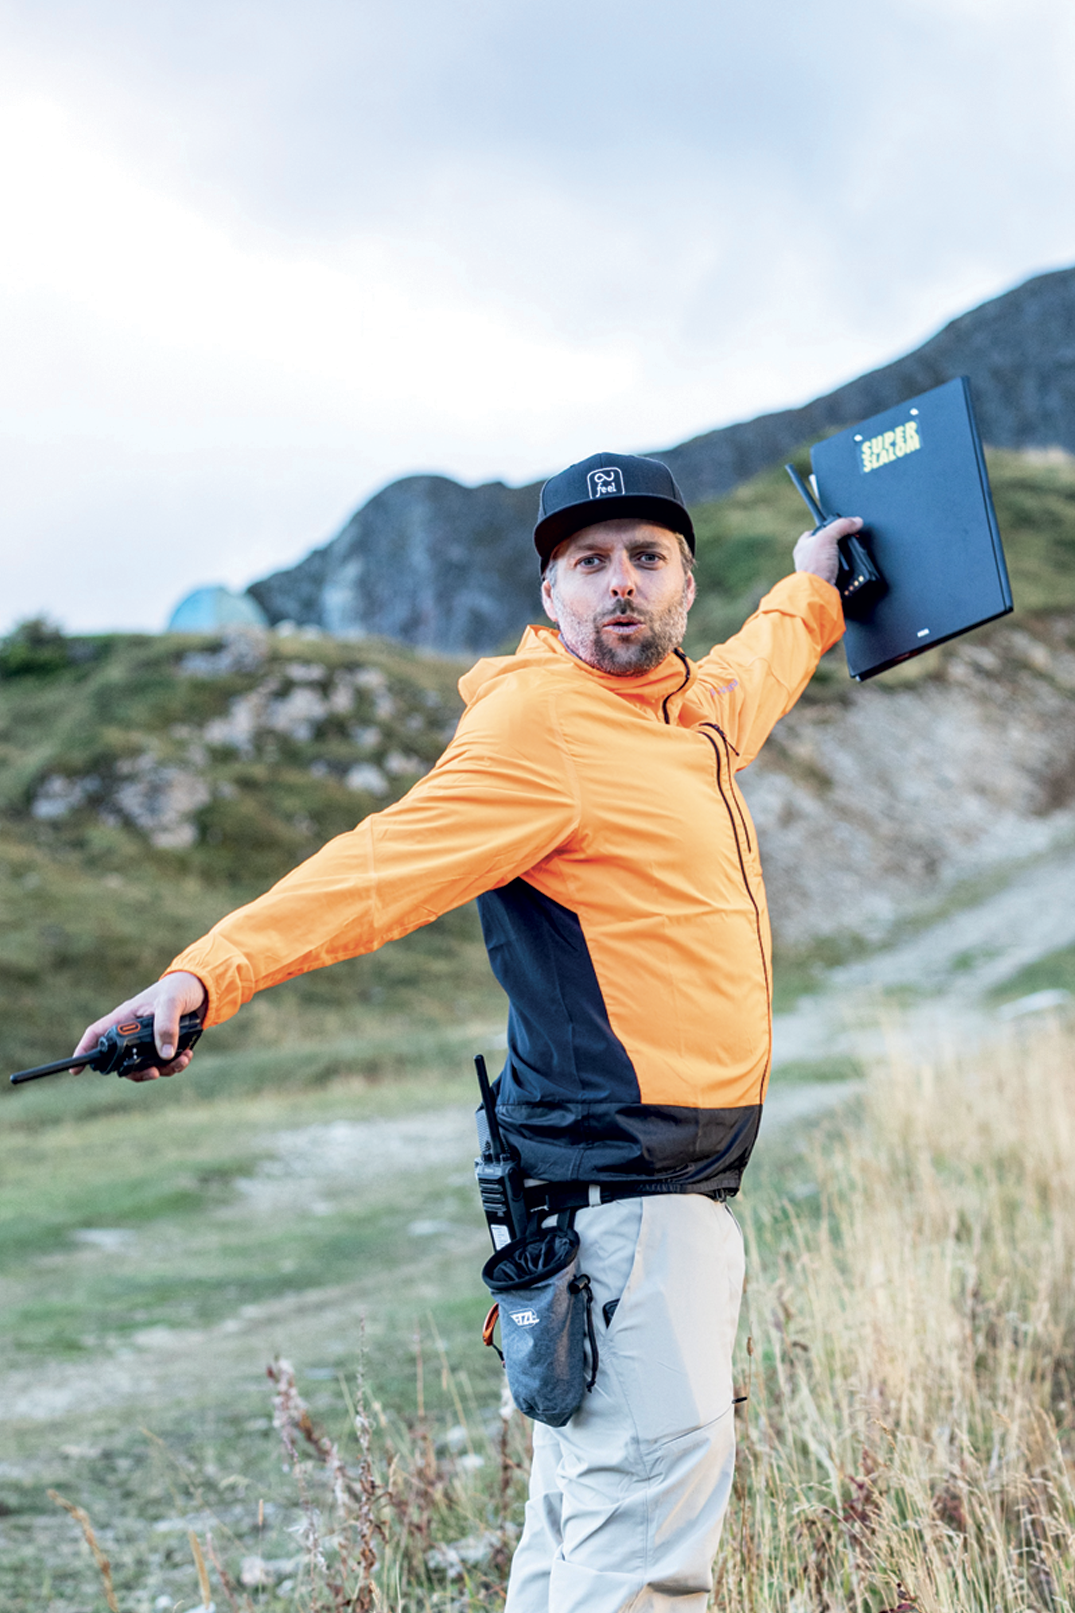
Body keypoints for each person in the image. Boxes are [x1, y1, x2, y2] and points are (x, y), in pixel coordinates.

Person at [77, 450, 858, 1613]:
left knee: (580, 1530)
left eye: (647, 559)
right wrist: (201, 978)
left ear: (686, 585)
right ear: (550, 597)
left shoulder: (687, 716)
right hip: (620, 1200)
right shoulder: (540, 727)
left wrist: (814, 586)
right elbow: (374, 868)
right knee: (641, 1547)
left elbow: (760, 665)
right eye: (588, 564)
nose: (621, 584)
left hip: (652, 1197)